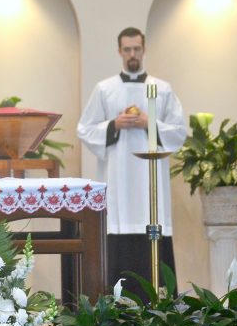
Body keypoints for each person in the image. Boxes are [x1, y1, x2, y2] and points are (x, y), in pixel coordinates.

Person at [77, 27, 186, 299]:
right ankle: (119, 304)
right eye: (127, 49)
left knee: (154, 225)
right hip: (119, 180)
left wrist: (150, 123)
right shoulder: (105, 89)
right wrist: (115, 124)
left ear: (144, 49)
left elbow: (179, 131)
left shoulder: (162, 89)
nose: (132, 54)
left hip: (152, 184)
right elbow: (85, 129)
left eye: (137, 48)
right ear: (119, 52)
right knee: (120, 229)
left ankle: (160, 303)